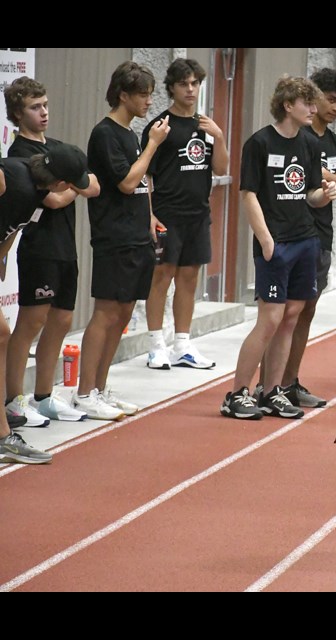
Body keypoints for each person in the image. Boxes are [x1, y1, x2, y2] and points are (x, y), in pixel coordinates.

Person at [220, 76, 327, 420]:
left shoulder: (309, 144)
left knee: (291, 317)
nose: (314, 109)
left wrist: (322, 197)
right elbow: (248, 194)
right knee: (269, 319)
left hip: (306, 240)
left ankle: (273, 390)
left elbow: (309, 192)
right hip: (275, 244)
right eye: (307, 103)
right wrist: (266, 240)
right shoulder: (259, 143)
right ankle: (237, 393)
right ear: (287, 106)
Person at [74, 61, 169, 421]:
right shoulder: (106, 134)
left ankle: (100, 388)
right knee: (106, 312)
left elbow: (142, 187)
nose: (148, 101)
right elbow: (127, 182)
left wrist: (149, 219)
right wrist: (152, 146)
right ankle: (84, 392)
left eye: (149, 94)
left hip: (136, 235)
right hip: (113, 235)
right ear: (123, 94)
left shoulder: (131, 135)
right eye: (142, 94)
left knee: (124, 313)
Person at [3, 77, 94, 426]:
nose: (43, 113)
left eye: (45, 105)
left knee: (62, 320)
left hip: (66, 246)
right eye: (34, 107)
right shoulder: (19, 155)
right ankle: (14, 399)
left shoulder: (57, 147)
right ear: (17, 112)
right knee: (31, 322)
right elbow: (54, 200)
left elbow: (94, 185)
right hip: (38, 247)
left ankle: (44, 396)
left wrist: (72, 183)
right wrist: (74, 184)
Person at [0, 143, 99, 462]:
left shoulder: (33, 195)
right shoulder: (12, 176)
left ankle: (3, 436)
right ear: (60, 183)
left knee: (1, 334)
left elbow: (11, 231)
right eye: (71, 184)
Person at [273, 67, 336, 408]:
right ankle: (270, 385)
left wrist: (323, 174)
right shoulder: (296, 136)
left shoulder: (335, 143)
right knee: (281, 314)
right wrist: (324, 175)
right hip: (289, 234)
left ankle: (290, 382)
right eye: (330, 99)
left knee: (306, 311)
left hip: (321, 239)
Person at [143, 58, 227, 371]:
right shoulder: (160, 127)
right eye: (184, 84)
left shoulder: (205, 126)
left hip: (197, 214)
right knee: (161, 277)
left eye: (195, 83)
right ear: (172, 88)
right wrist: (149, 215)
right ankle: (155, 346)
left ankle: (182, 345)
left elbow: (221, 168)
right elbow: (146, 177)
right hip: (166, 214)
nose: (190, 89)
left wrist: (218, 136)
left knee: (189, 279)